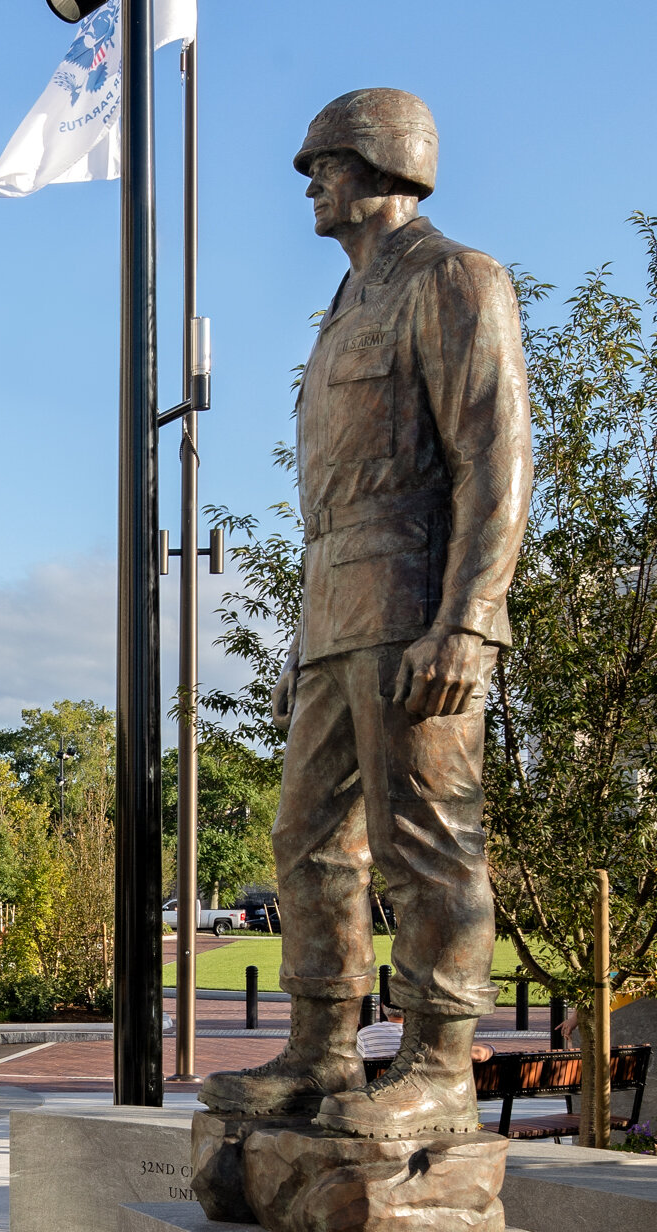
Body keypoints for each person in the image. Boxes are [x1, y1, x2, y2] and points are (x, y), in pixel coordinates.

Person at [199, 89, 532, 1140]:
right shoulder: (347, 305)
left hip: (413, 602)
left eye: (324, 162)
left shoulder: (452, 279)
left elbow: (494, 458)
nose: (310, 182)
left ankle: (436, 1061)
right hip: (332, 612)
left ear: (384, 164)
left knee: (426, 839)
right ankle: (321, 1050)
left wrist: (467, 619)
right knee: (306, 837)